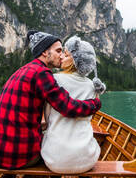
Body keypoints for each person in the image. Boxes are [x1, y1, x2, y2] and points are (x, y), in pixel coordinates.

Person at [0, 31, 102, 170]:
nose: (62, 55)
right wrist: (95, 104)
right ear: (45, 53)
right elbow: (68, 107)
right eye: (58, 51)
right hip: (18, 156)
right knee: (53, 152)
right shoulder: (42, 73)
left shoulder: (23, 70)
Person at [41, 36, 106, 173]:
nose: (61, 57)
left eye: (66, 54)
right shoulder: (92, 86)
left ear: (75, 60)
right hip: (87, 160)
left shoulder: (54, 80)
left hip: (55, 161)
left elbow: (46, 119)